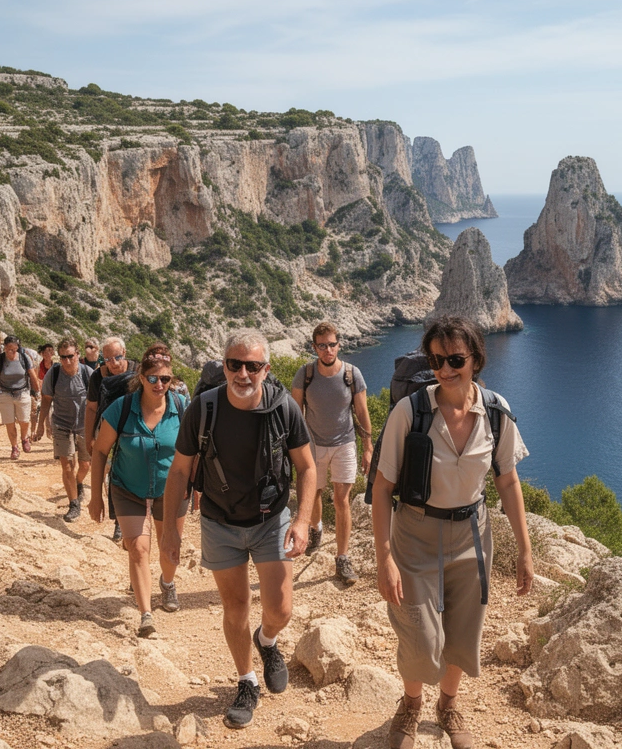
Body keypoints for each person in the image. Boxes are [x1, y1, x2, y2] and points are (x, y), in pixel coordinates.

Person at [371, 316, 533, 749]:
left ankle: (448, 703)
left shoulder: (496, 412)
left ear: (476, 359)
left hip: (472, 537)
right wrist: (383, 557)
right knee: (421, 636)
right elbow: (384, 487)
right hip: (415, 534)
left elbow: (508, 481)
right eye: (437, 359)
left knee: (464, 631)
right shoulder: (411, 411)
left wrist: (524, 548)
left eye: (455, 359)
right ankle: (410, 705)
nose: (445, 369)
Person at [160, 330, 317, 730]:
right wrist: (171, 531)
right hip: (219, 521)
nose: (243, 374)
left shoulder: (283, 408)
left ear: (266, 369)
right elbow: (179, 471)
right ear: (224, 365)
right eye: (234, 364)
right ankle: (246, 681)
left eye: (252, 366)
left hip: (271, 519)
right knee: (236, 607)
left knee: (280, 609)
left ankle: (267, 641)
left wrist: (302, 520)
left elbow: (308, 467)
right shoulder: (203, 409)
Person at [88, 343, 190, 637]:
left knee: (170, 549)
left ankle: (167, 584)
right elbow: (100, 453)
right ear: (141, 378)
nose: (160, 385)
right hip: (127, 487)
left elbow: (194, 452)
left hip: (169, 489)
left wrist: (196, 488)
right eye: (154, 379)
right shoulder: (121, 409)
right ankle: (146, 615)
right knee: (138, 548)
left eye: (166, 379)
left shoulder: (181, 409)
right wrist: (96, 496)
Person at [290, 322, 372, 586]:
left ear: (339, 345)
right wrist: (295, 450)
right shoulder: (305, 374)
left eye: (332, 344)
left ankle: (342, 557)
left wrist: (368, 447)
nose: (328, 350)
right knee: (313, 494)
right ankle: (316, 528)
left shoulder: (352, 374)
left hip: (345, 444)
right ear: (314, 347)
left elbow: (361, 412)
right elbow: (295, 413)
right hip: (312, 445)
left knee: (341, 500)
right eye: (322, 345)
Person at [34, 338, 93, 523]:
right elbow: (46, 400)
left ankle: (78, 482)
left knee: (84, 465)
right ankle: (74, 504)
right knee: (67, 464)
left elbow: (96, 403)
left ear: (78, 355)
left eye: (70, 356)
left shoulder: (88, 374)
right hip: (61, 424)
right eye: (63, 357)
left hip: (84, 426)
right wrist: (41, 426)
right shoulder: (54, 373)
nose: (67, 361)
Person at [85, 337, 137, 542]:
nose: (114, 363)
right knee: (114, 476)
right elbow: (91, 407)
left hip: (133, 430)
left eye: (117, 357)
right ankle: (120, 523)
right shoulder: (98, 377)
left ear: (124, 352)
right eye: (108, 359)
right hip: (108, 432)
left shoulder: (139, 371)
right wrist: (89, 436)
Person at [0, 335, 41, 460]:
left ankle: (24, 438)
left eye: (14, 349)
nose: (11, 352)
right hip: (4, 394)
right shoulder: (0, 359)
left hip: (22, 392)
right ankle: (14, 447)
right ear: (5, 347)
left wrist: (38, 392)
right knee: (9, 423)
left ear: (18, 348)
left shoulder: (24, 358)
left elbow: (32, 375)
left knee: (24, 420)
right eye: (8, 349)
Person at [31, 343, 56, 440]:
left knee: (51, 414)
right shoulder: (38, 366)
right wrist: (37, 393)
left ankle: (51, 434)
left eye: (51, 350)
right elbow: (36, 379)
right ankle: (35, 432)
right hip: (43, 392)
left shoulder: (57, 365)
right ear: (42, 354)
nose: (49, 353)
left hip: (55, 392)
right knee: (39, 412)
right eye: (46, 351)